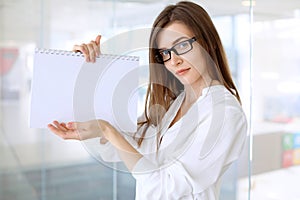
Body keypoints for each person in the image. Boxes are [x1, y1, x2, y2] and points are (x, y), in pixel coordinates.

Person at [48, 1, 247, 199]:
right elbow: (119, 149)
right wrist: (89, 69)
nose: (174, 60)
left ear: (208, 43)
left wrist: (107, 130)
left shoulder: (224, 113)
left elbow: (165, 188)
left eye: (183, 45)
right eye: (165, 53)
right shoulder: (172, 105)